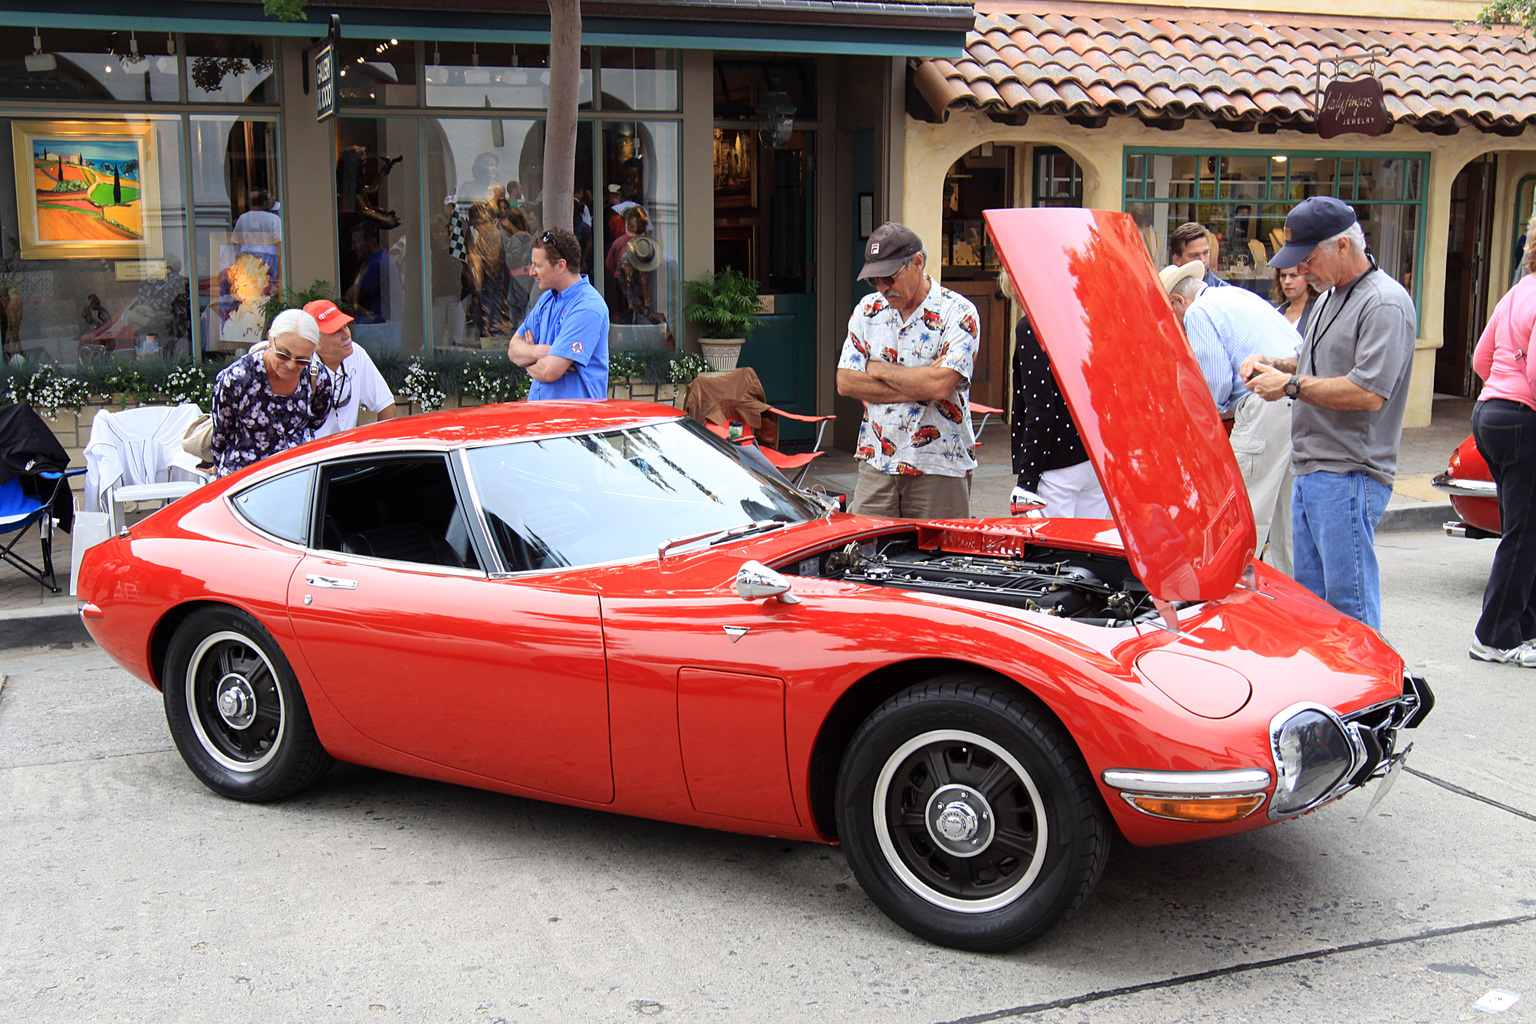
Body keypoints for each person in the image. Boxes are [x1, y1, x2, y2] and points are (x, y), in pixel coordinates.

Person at [1243, 196, 1416, 631]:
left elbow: (1368, 392)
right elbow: (1311, 359)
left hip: (1349, 469)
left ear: (1342, 246)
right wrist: (1274, 364)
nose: (1301, 271)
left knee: (1349, 608)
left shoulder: (1384, 303)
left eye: (1308, 258)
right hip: (1316, 466)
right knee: (1315, 608)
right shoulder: (1331, 296)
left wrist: (1290, 384)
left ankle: (1369, 696)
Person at [1162, 261, 1299, 572]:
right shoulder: (1237, 296)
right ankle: (1294, 601)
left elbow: (1214, 388)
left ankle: (1234, 592)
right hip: (1295, 395)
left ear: (1179, 301)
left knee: (1243, 511)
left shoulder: (1198, 312)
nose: (1177, 326)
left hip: (1265, 402)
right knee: (1285, 517)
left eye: (1172, 317)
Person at [835, 222, 979, 518]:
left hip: (939, 465)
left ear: (917, 263)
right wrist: (920, 381)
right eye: (874, 279)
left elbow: (940, 387)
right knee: (864, 555)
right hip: (877, 462)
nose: (882, 287)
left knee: (938, 558)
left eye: (889, 277)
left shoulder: (959, 313)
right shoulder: (867, 311)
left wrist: (877, 369)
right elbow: (846, 382)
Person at [1465, 216, 1536, 666]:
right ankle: (1495, 635)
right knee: (1523, 533)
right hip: (1522, 416)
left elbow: (1480, 359)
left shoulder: (1519, 290)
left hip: (1491, 413)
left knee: (1523, 529)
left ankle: (1523, 628)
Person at [998, 268, 1105, 518]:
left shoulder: (1032, 328)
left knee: (1055, 550)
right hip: (1093, 455)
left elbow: (1041, 409)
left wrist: (1027, 480)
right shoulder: (1084, 318)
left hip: (1056, 463)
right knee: (1088, 549)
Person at [210, 308, 333, 478]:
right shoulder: (238, 378)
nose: (291, 365)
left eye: (302, 359)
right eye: (283, 354)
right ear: (270, 339)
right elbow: (221, 434)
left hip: (297, 476)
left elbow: (316, 421)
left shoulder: (317, 377)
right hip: (245, 481)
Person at [506, 227, 610, 400]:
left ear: (561, 265)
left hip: (574, 421)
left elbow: (549, 372)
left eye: (538, 265)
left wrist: (527, 357)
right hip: (542, 418)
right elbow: (513, 350)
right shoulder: (546, 299)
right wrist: (540, 352)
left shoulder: (587, 307)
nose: (531, 272)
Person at [302, 299, 398, 437]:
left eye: (345, 326)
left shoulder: (356, 353)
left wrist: (384, 450)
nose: (346, 335)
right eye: (335, 331)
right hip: (310, 455)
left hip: (346, 452)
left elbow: (386, 405)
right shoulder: (301, 365)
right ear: (314, 341)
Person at [1169, 221, 1227, 287]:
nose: (1203, 260)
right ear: (1177, 259)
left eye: (1206, 253)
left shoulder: (1226, 293)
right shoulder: (1166, 291)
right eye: (1194, 255)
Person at [1271, 266, 1317, 334]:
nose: (1287, 281)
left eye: (1294, 275)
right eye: (1283, 276)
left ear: (1308, 278)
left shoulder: (1319, 313)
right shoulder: (1274, 314)